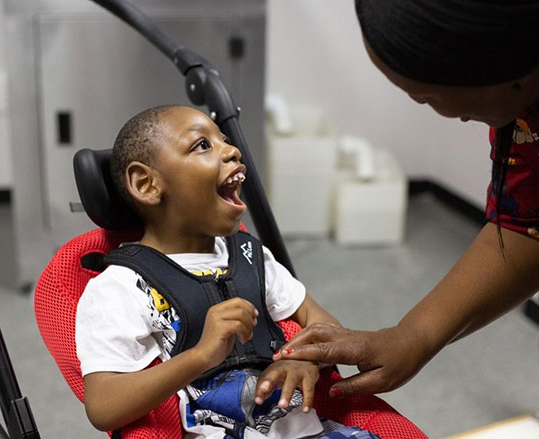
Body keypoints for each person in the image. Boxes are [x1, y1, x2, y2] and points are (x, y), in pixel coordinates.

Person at [274, 0, 539, 402]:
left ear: (497, 69)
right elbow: (530, 223)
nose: (439, 112)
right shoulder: (536, 101)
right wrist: (412, 336)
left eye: (425, 97)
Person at [74, 105, 379, 438]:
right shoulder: (121, 288)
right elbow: (103, 406)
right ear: (146, 184)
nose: (233, 151)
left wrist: (304, 359)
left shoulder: (250, 256)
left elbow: (326, 327)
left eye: (225, 141)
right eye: (202, 145)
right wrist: (201, 355)